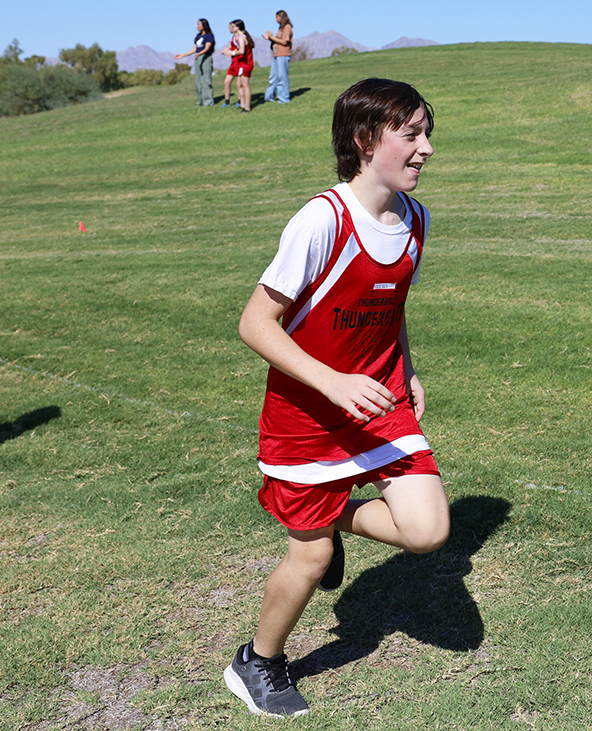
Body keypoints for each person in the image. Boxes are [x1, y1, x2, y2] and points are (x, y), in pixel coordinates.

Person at [225, 78, 447, 718]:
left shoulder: (416, 219)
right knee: (312, 554)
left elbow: (391, 306)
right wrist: (333, 382)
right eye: (411, 135)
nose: (426, 148)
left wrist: (405, 368)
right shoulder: (322, 220)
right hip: (306, 419)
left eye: (427, 133)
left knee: (429, 530)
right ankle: (258, 662)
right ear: (364, 140)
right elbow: (255, 324)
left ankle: (329, 513)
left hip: (379, 405)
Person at [175, 19, 215, 107]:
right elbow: (194, 49)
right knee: (198, 80)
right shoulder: (198, 36)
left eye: (198, 24)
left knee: (206, 80)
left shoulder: (209, 36)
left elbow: (207, 48)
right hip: (198, 58)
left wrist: (199, 53)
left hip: (206, 57)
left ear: (204, 26)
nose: (197, 26)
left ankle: (208, 102)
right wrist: (183, 55)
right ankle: (200, 101)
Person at [221, 19, 254, 112]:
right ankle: (243, 104)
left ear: (238, 27)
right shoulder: (238, 37)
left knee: (245, 85)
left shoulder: (241, 37)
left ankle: (247, 107)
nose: (231, 28)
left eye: (233, 26)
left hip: (245, 64)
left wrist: (231, 53)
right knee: (239, 84)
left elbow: (242, 51)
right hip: (240, 63)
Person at [262, 10, 293, 104]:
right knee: (273, 77)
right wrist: (270, 38)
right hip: (276, 54)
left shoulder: (287, 28)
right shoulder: (280, 28)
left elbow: (284, 41)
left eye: (277, 17)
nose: (276, 19)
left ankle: (284, 98)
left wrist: (271, 37)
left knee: (282, 77)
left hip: (283, 55)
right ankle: (269, 96)